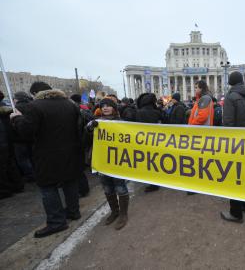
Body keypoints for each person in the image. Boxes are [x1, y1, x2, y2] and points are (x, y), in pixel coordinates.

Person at [10, 82, 84, 238]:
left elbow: (26, 132)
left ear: (35, 93)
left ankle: (56, 222)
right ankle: (73, 212)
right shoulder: (70, 104)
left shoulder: (35, 106)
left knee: (47, 187)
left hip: (47, 156)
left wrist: (16, 119)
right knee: (69, 182)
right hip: (71, 153)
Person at [87, 98, 130, 230]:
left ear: (114, 108)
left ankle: (123, 214)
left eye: (108, 106)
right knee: (107, 187)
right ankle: (114, 211)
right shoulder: (96, 122)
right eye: (103, 106)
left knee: (120, 187)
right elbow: (86, 135)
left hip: (117, 161)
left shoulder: (121, 122)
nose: (105, 108)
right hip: (102, 160)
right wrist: (90, 128)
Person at [220, 71, 245, 223]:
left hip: (235, 143)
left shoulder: (231, 96)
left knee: (234, 176)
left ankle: (236, 213)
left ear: (231, 82)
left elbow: (227, 122)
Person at [135, 93, 163, 193]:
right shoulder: (157, 112)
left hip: (143, 142)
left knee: (148, 163)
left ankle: (153, 183)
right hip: (157, 141)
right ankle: (156, 182)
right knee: (156, 162)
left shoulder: (138, 112)